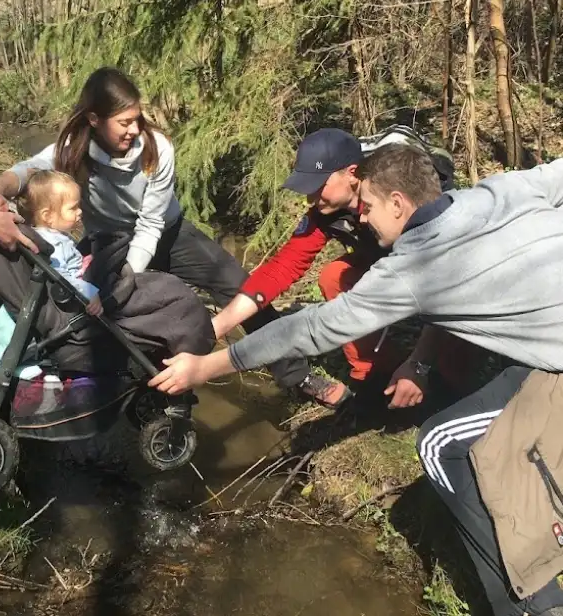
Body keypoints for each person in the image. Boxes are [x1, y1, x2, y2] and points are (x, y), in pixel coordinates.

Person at [149, 143, 563, 616]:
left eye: (367, 207)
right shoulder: (499, 191)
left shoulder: (409, 269)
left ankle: (530, 601)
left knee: (439, 445)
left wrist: (206, 367)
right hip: (535, 354)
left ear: (398, 204)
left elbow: (308, 328)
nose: (362, 219)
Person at [0, 67, 336, 406]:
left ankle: (296, 376)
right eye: (124, 122)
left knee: (237, 283)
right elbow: (31, 168)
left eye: (137, 119)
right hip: (108, 241)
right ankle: (109, 387)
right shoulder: (74, 148)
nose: (134, 129)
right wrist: (0, 185)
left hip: (167, 232)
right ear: (95, 120)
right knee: (70, 297)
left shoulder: (157, 149)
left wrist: (127, 275)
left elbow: (150, 225)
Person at [211, 128, 472, 409]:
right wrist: (217, 327)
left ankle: (450, 384)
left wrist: (419, 365)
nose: (309, 199)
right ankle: (374, 372)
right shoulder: (327, 209)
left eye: (317, 186)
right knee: (334, 277)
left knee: (446, 307)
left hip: (439, 261)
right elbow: (281, 268)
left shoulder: (408, 196)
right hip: (382, 253)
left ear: (351, 173)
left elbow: (450, 283)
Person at [17, 170, 103, 317]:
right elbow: (60, 278)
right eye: (73, 208)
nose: (80, 211)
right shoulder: (51, 244)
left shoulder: (53, 235)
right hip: (69, 304)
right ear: (48, 216)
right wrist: (90, 292)